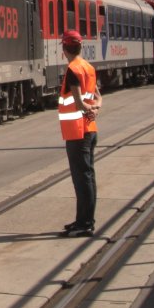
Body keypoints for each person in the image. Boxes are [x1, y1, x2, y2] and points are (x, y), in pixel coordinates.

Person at [57, 30, 101, 238]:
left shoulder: (73, 70)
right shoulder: (88, 68)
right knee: (88, 176)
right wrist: (95, 108)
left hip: (77, 132)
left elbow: (77, 102)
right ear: (80, 47)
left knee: (81, 178)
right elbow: (98, 97)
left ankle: (85, 223)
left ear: (65, 49)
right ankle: (83, 219)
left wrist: (86, 107)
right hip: (90, 129)